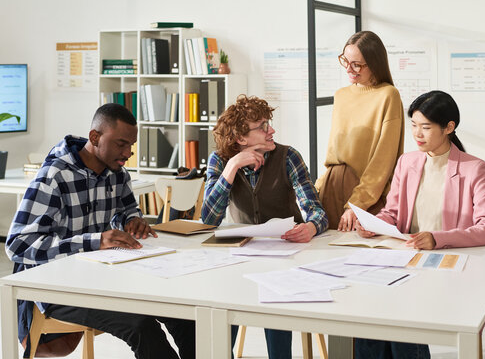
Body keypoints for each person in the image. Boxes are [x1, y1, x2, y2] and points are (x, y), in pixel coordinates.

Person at [6, 103, 195, 359]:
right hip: (57, 287)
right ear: (95, 137)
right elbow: (18, 245)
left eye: (131, 145)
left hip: (102, 279)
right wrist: (94, 241)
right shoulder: (54, 177)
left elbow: (126, 210)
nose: (128, 153)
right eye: (121, 144)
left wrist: (132, 220)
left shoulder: (117, 173)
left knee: (185, 315)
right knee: (140, 326)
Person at [354, 90, 485, 358]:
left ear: (449, 127)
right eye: (413, 126)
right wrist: (375, 224)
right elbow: (393, 213)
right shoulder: (407, 162)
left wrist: (437, 238)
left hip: (448, 265)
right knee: (366, 310)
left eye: (425, 127)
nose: (417, 134)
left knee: (399, 311)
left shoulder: (473, 168)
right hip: (406, 259)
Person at [201, 94, 328, 358]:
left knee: (275, 296)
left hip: (284, 256)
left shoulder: (288, 156)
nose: (271, 130)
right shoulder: (220, 160)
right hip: (239, 258)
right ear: (240, 138)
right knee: (223, 303)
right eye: (262, 127)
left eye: (268, 123)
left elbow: (317, 211)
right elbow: (209, 219)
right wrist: (233, 166)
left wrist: (311, 227)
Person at [315, 30, 404, 231]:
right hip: (330, 189)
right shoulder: (341, 95)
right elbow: (332, 155)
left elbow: (383, 162)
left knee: (366, 258)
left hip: (364, 197)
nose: (349, 69)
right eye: (345, 61)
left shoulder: (388, 95)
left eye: (357, 64)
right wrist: (315, 191)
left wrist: (357, 204)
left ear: (375, 63)